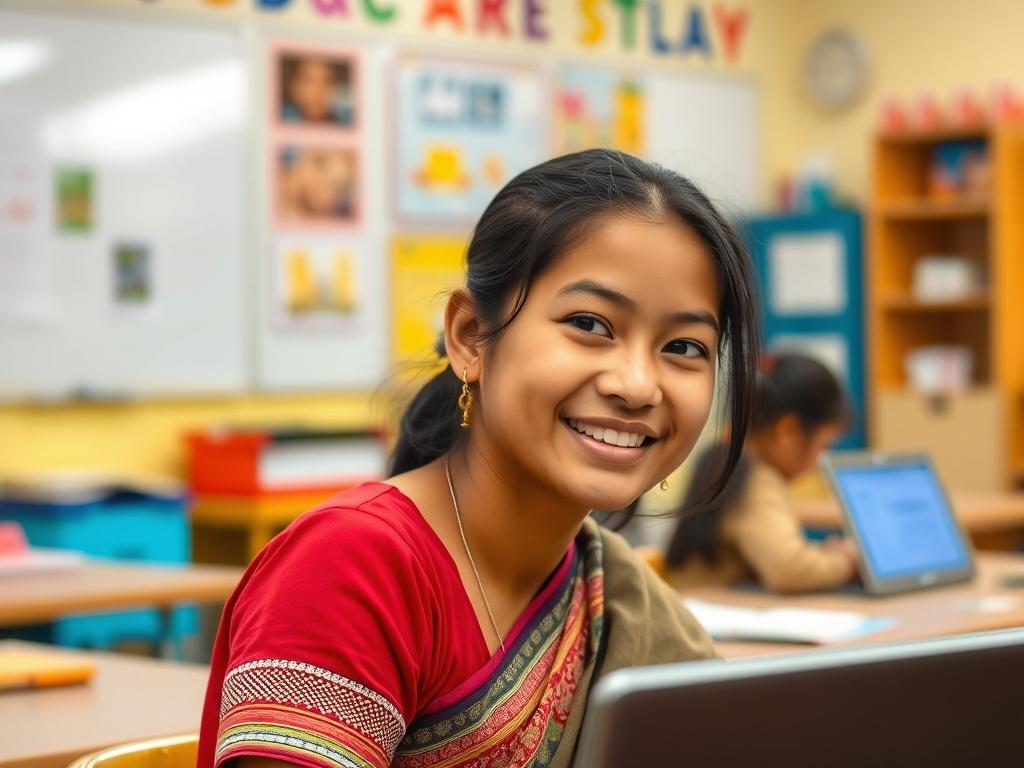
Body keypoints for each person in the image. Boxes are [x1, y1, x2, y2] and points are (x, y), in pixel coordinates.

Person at [197, 149, 762, 768]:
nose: (636, 384)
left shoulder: (610, 587)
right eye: (590, 324)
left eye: (683, 346)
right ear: (470, 337)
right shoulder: (352, 567)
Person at [663, 353, 859, 594]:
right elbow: (790, 569)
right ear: (788, 432)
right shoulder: (755, 478)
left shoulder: (728, 458)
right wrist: (850, 561)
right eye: (824, 446)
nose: (820, 461)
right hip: (715, 617)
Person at [281, 55, 353, 125]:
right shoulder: (282, 117)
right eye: (308, 81)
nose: (317, 92)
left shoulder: (347, 121)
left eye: (327, 82)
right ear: (294, 87)